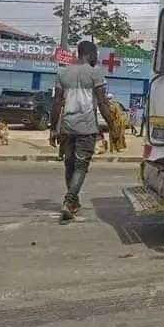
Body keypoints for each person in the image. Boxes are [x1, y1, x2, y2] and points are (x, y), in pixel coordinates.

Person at [50, 41, 114, 223]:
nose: (97, 58)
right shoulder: (96, 73)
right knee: (81, 166)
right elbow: (103, 103)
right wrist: (113, 126)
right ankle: (69, 201)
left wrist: (52, 129)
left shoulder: (62, 72)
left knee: (69, 165)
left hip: (66, 126)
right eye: (96, 55)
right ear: (90, 54)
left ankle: (74, 200)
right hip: (86, 127)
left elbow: (56, 103)